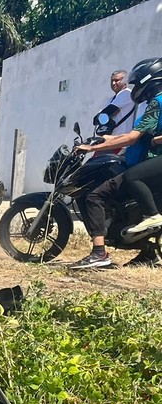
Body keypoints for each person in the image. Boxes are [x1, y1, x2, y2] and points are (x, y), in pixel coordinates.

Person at [70, 58, 162, 269]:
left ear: (150, 81)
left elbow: (131, 138)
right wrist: (101, 140)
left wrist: (93, 149)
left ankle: (99, 254)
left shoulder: (157, 102)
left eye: (137, 83)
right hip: (144, 160)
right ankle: (147, 252)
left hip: (144, 162)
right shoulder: (155, 103)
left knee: (94, 195)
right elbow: (134, 135)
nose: (135, 88)